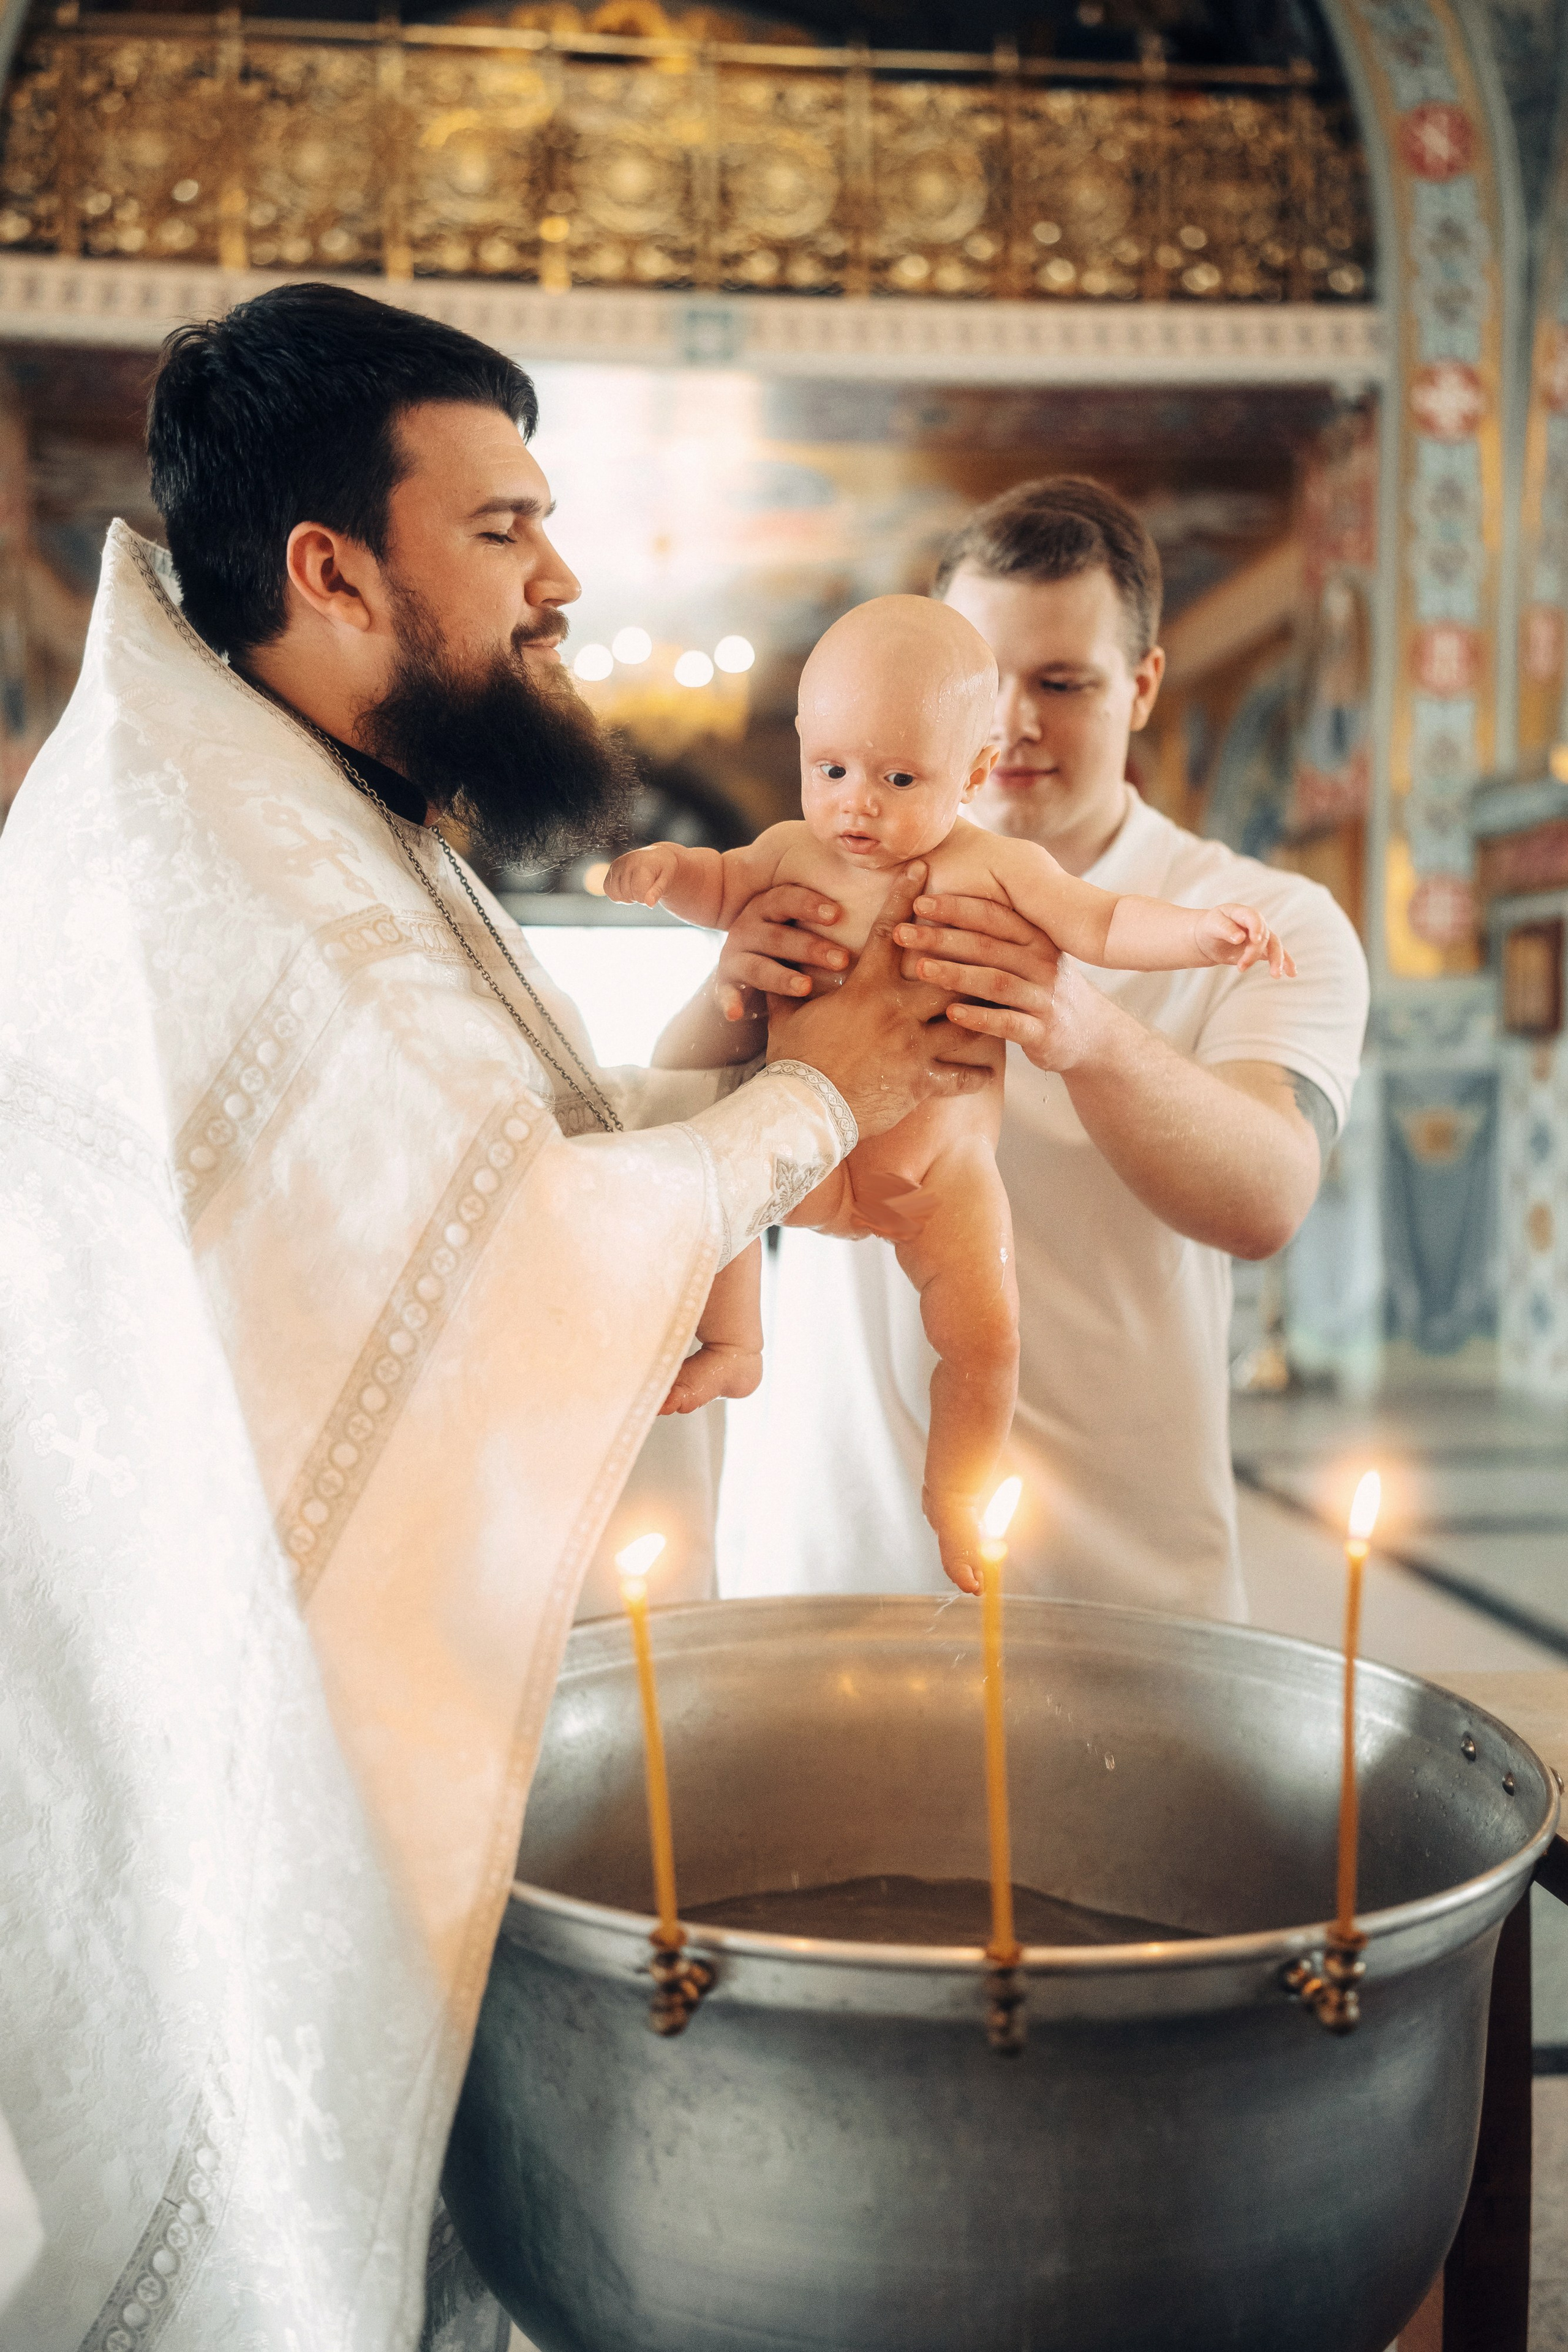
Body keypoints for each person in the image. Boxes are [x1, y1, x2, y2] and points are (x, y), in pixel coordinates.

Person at [0, 283, 1005, 2352]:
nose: (564, 578)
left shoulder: (302, 790)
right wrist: (832, 1089)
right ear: (330, 567)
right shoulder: (189, 849)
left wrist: (740, 1041)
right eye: (506, 530)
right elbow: (507, 1253)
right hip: (186, 1710)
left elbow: (478, 1173)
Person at [701, 477, 1370, 1618]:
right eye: (986, 676)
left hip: (1122, 1582)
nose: (1013, 722)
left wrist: (1079, 1028)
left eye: (1063, 683)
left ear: (1144, 686)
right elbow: (705, 1132)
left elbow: (1268, 1197)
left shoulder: (1262, 917)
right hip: (820, 1560)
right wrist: (728, 991)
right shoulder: (816, 874)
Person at [616, 592, 1288, 1590]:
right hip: (807, 1148)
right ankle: (736, 1340)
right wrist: (666, 871)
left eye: (897, 778)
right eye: (832, 770)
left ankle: (959, 1491)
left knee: (985, 1338)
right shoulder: (791, 854)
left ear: (971, 773)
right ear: (803, 745)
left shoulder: (1001, 869)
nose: (857, 803)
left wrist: (1201, 935)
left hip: (943, 1176)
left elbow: (1103, 926)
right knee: (720, 1173)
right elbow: (716, 890)